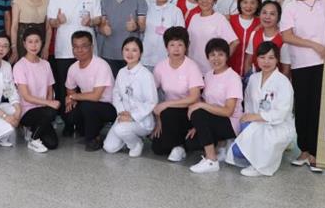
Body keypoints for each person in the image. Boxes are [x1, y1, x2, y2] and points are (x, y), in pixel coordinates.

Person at [281, 0, 325, 173]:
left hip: (323, 64)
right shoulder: (292, 6)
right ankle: (304, 150)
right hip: (300, 64)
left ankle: (316, 153)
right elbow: (287, 36)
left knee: (317, 108)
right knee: (301, 108)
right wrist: (314, 45)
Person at [48, 0, 102, 135]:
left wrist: (91, 21)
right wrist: (58, 21)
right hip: (65, 48)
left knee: (86, 87)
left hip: (87, 49)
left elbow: (98, 18)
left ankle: (84, 123)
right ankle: (68, 122)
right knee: (65, 86)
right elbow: (51, 22)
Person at [226, 41, 296, 177]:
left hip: (278, 125)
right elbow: (248, 105)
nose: (266, 62)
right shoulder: (253, 78)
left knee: (258, 138)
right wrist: (250, 118)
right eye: (262, 57)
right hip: (256, 122)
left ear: (277, 60)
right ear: (256, 59)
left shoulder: (283, 82)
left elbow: (282, 113)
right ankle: (254, 156)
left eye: (271, 58)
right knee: (237, 151)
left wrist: (257, 117)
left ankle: (259, 166)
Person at [186, 38, 244, 174]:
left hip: (231, 122)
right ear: (207, 57)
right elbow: (206, 103)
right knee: (191, 143)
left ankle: (211, 160)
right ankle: (221, 147)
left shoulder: (233, 77)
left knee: (197, 111)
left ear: (227, 56)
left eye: (220, 54)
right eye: (212, 55)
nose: (216, 59)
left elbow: (228, 111)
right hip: (214, 117)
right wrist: (197, 125)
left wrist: (200, 108)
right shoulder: (208, 75)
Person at [150, 27, 204, 162]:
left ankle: (179, 145)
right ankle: (179, 144)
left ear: (186, 47)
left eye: (180, 45)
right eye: (172, 45)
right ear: (166, 47)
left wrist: (166, 104)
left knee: (169, 112)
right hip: (168, 114)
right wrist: (158, 120)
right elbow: (151, 93)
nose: (176, 49)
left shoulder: (192, 67)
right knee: (157, 148)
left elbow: (194, 97)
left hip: (189, 112)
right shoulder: (160, 67)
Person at [103, 37, 157, 157]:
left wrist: (132, 116)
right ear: (122, 51)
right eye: (126, 49)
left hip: (142, 120)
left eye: (134, 50)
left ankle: (136, 143)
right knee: (109, 147)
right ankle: (128, 137)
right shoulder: (121, 72)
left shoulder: (146, 75)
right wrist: (121, 112)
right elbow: (116, 94)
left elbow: (151, 102)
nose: (130, 53)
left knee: (120, 129)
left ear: (141, 53)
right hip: (123, 116)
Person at [65, 31, 116, 151]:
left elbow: (95, 96)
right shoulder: (73, 68)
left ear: (92, 47)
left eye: (84, 46)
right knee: (70, 112)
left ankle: (93, 138)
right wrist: (71, 99)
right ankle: (90, 129)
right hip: (89, 103)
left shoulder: (101, 65)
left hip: (109, 106)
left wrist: (73, 97)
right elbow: (70, 90)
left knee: (88, 106)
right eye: (76, 47)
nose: (80, 50)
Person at [13, 28, 59, 153]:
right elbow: (26, 96)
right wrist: (49, 104)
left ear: (42, 43)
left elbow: (50, 90)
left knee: (52, 144)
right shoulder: (19, 66)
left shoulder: (46, 64)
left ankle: (33, 130)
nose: (34, 45)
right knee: (50, 112)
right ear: (24, 44)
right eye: (30, 42)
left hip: (44, 110)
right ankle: (33, 139)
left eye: (37, 41)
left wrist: (49, 104)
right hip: (27, 111)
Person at [98, 0, 147, 77]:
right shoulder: (104, 1)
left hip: (132, 54)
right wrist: (103, 29)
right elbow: (101, 26)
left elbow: (143, 26)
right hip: (109, 54)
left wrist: (135, 26)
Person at [187, 0, 239, 75]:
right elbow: (189, 42)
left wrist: (221, 61)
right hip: (193, 68)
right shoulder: (194, 17)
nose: (204, 1)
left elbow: (235, 42)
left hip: (211, 70)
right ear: (197, 0)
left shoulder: (219, 19)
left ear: (214, 0)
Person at [141, 0, 184, 71]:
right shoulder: (147, 9)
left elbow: (181, 35)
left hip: (167, 57)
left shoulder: (176, 11)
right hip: (147, 56)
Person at [10, 0, 50, 64]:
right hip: (22, 40)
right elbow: (14, 27)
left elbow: (48, 27)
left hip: (40, 41)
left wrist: (46, 48)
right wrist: (14, 48)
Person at [244, 0, 292, 77]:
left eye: (272, 14)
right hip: (256, 79)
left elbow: (286, 70)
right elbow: (248, 62)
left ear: (279, 17)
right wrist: (250, 80)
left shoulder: (284, 38)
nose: (267, 17)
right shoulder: (254, 34)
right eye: (264, 13)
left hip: (276, 81)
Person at [228, 0, 262, 78]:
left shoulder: (261, 23)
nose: (248, 6)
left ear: (258, 5)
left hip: (253, 75)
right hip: (230, 73)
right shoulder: (229, 20)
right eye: (245, 2)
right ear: (240, 3)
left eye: (253, 3)